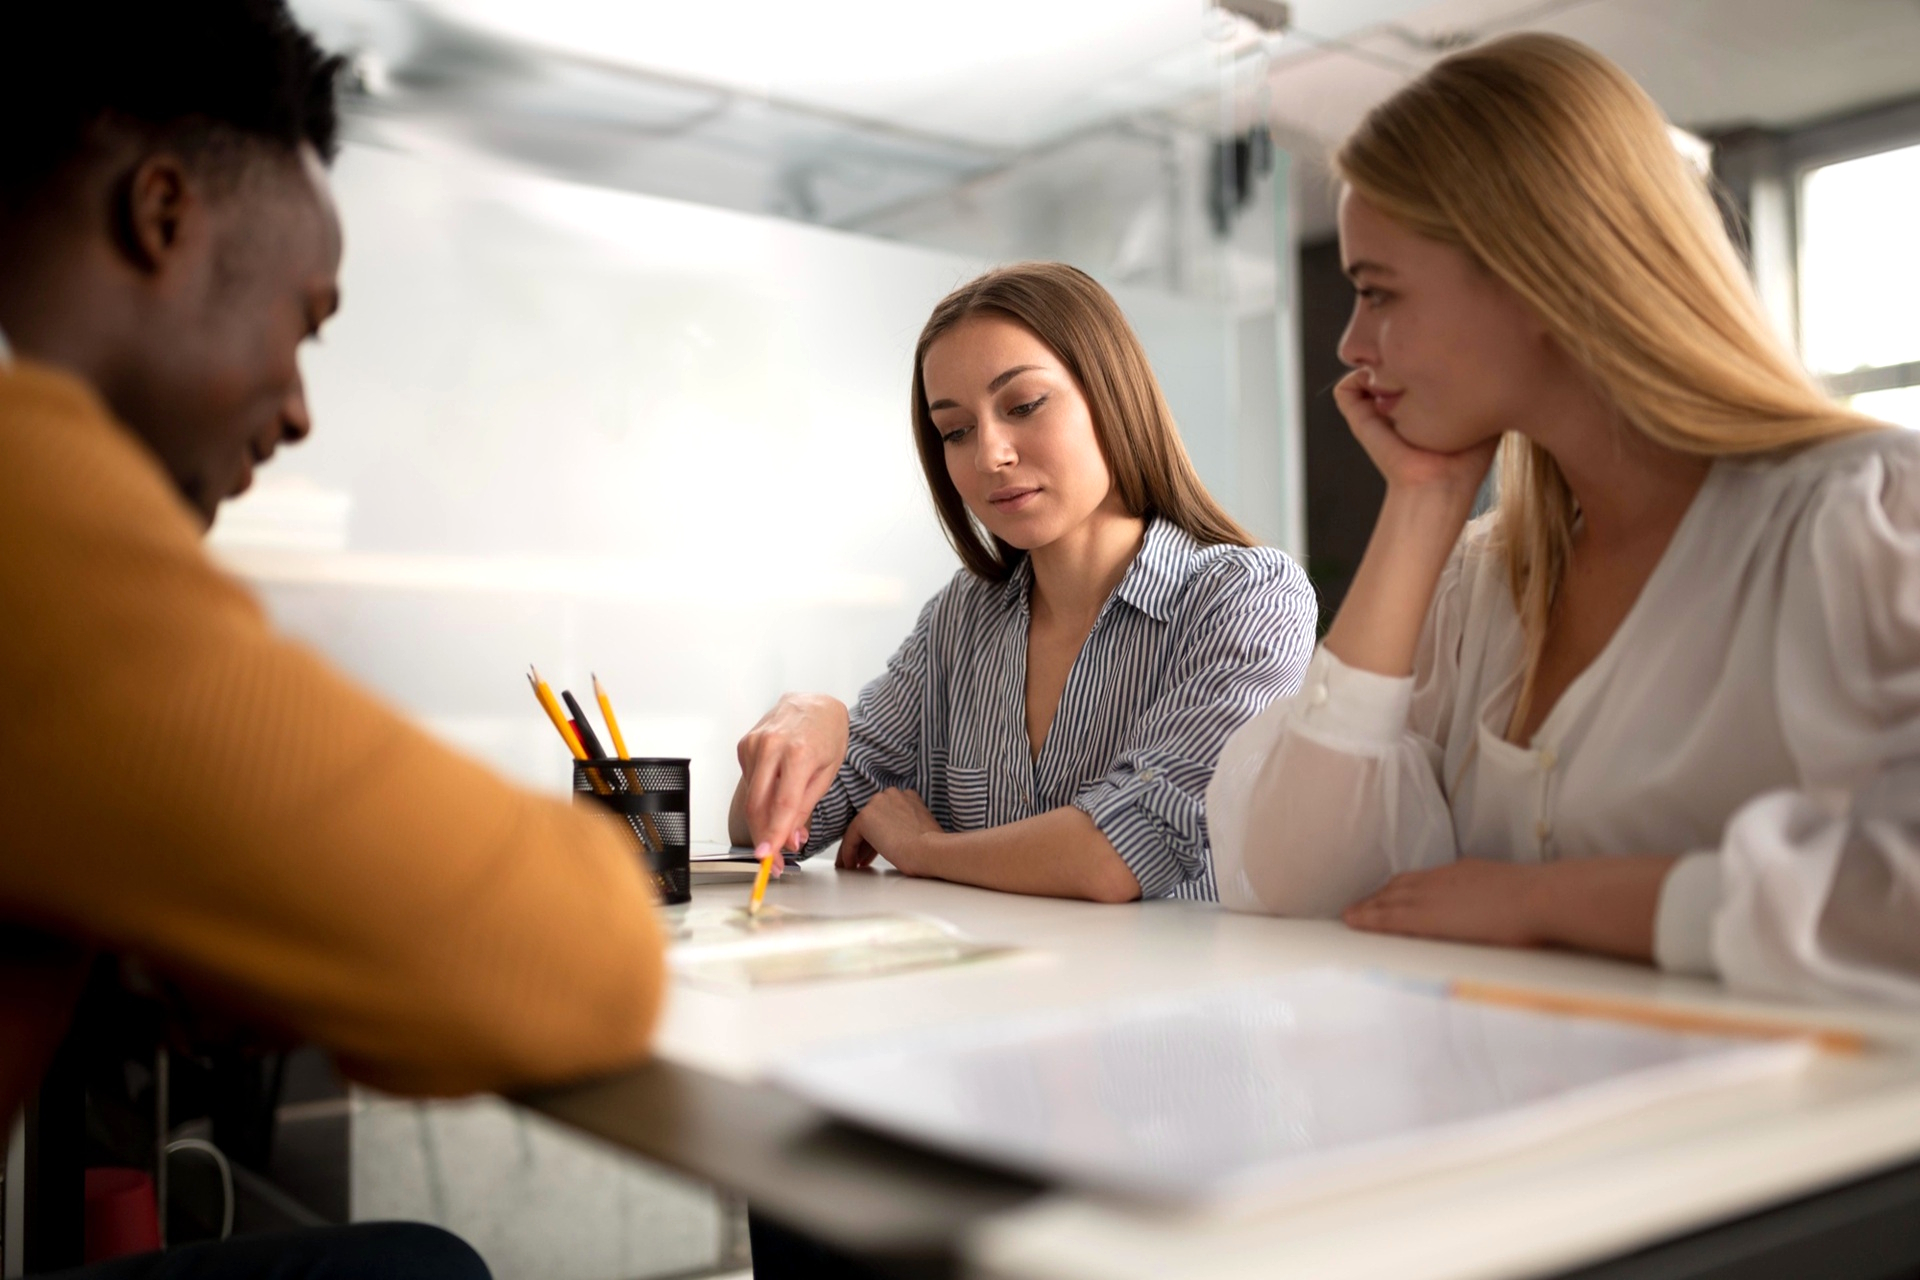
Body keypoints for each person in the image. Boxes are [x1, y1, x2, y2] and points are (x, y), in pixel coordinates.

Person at [0, 1, 668, 1274]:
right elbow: (583, 953)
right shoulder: (28, 495)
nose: (302, 409)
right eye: (304, 323)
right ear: (161, 217)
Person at [1206, 33, 1920, 1003]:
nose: (1349, 342)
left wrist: (1550, 900)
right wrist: (1420, 502)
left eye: (1377, 291)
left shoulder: (1857, 516)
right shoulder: (1484, 577)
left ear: (1538, 274)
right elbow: (1301, 877)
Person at [729, 263, 1316, 902]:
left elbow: (1118, 856)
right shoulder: (961, 617)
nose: (990, 456)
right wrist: (815, 722)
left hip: (1174, 999)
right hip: (997, 997)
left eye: (1024, 405)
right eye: (956, 430)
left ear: (1111, 394)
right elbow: (776, 833)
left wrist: (927, 850)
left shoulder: (1248, 596)